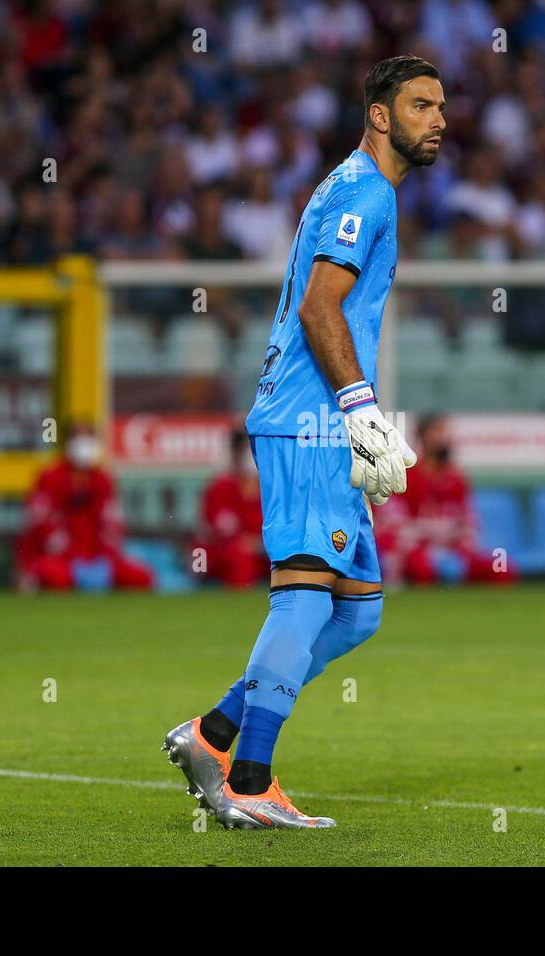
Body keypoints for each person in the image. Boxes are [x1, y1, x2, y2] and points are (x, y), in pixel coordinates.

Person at [162, 56, 444, 829]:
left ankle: (215, 734)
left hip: (316, 418)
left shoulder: (353, 186)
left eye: (441, 106)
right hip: (310, 419)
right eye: (420, 105)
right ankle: (249, 782)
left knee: (357, 614)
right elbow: (323, 306)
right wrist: (358, 409)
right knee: (304, 595)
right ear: (381, 115)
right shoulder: (363, 190)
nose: (438, 120)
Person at [15, 422, 155, 593]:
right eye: (78, 439)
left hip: (97, 556)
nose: (84, 445)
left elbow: (113, 522)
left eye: (88, 439)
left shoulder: (102, 479)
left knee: (141, 577)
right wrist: (65, 552)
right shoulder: (51, 477)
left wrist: (104, 556)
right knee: (55, 577)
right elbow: (39, 523)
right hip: (61, 557)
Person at [377, 414, 514, 585]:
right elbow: (391, 524)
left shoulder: (456, 478)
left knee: (502, 567)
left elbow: (468, 522)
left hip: (453, 551)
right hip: (415, 551)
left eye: (445, 431)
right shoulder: (405, 474)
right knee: (422, 569)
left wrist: (460, 547)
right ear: (422, 436)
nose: (443, 437)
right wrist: (428, 537)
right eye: (437, 431)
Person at [194, 429, 268, 589]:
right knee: (238, 558)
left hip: (263, 552)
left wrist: (256, 544)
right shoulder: (221, 487)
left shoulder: (270, 489)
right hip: (218, 553)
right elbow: (212, 530)